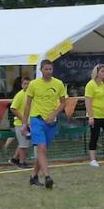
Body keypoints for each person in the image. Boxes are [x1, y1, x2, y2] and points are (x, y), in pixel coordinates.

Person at [19, 58, 67, 189]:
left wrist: (54, 114)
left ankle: (34, 176)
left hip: (51, 121)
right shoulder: (33, 84)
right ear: (40, 70)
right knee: (42, 148)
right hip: (37, 119)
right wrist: (24, 123)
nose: (48, 71)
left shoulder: (58, 84)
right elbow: (27, 105)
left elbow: (63, 102)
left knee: (43, 152)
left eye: (50, 69)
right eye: (46, 69)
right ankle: (47, 177)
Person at [9, 79, 31, 167]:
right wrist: (23, 119)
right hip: (20, 123)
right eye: (25, 84)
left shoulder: (30, 95)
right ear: (22, 85)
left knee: (25, 143)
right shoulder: (19, 95)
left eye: (29, 84)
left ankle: (14, 159)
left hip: (28, 122)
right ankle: (22, 162)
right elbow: (13, 108)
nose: (27, 85)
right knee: (23, 144)